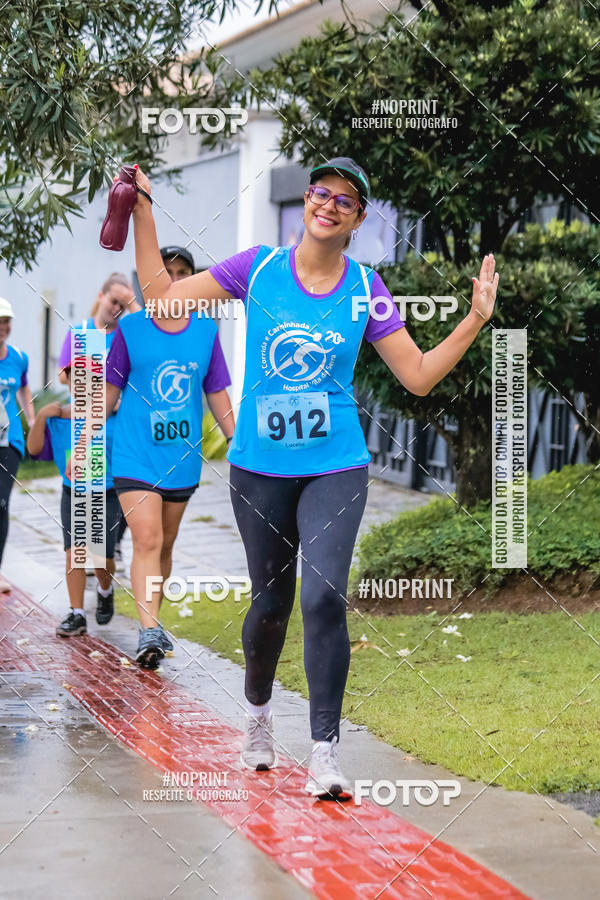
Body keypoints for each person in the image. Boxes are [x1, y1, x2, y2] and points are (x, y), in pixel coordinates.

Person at [130, 156, 499, 799]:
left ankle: (325, 751)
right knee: (270, 604)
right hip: (259, 467)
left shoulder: (366, 286)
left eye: (346, 200)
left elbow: (415, 376)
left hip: (336, 465)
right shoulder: (259, 268)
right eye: (321, 192)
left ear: (357, 220)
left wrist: (472, 320)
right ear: (307, 200)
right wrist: (142, 210)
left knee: (324, 596)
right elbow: (160, 295)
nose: (329, 204)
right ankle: (258, 714)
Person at [99, 302, 234, 669]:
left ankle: (152, 624)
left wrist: (235, 442)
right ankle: (148, 630)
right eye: (167, 272)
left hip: (181, 459)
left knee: (165, 544)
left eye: (182, 273)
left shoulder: (206, 331)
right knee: (148, 538)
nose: (174, 280)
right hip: (134, 455)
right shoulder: (130, 329)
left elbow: (216, 390)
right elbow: (108, 395)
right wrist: (82, 443)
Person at [27, 357, 120, 635]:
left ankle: (105, 589)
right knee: (74, 552)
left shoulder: (112, 413)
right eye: (76, 376)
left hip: (109, 492)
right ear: (68, 380)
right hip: (74, 491)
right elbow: (33, 450)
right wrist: (42, 416)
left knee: (101, 555)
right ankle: (76, 613)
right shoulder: (58, 417)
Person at [0, 298, 35, 592]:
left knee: (1, 503)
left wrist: (33, 421)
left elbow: (24, 386)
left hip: (9, 441)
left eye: (6, 321)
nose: (2, 327)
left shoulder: (19, 357)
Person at [57, 272, 138, 386]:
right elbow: (62, 375)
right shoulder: (80, 330)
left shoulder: (126, 333)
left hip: (117, 403)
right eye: (114, 301)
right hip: (84, 402)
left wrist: (132, 303)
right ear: (100, 296)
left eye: (122, 305)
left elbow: (148, 333)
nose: (117, 308)